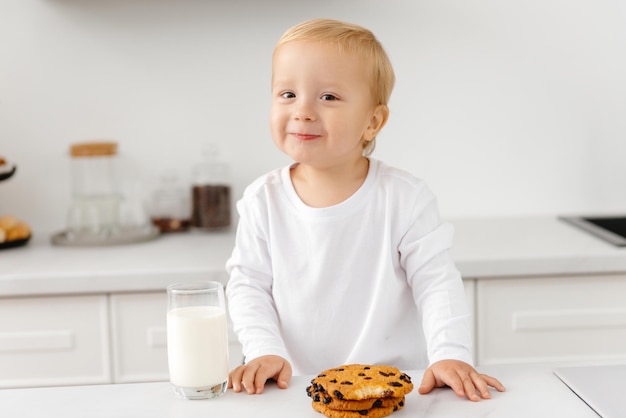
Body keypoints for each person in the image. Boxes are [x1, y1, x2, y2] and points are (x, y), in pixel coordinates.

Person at [225, 18, 505, 401]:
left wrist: (450, 354)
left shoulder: (405, 198)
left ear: (373, 121)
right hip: (293, 390)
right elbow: (248, 286)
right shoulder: (262, 200)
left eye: (328, 97)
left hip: (393, 390)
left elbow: (436, 282)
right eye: (287, 94)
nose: (302, 111)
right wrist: (262, 350)